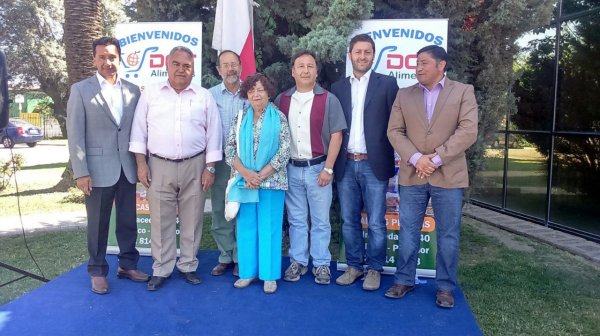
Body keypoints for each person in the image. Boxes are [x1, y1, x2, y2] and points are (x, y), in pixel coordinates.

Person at [386, 45, 478, 308]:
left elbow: (468, 131)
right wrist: (417, 159)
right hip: (412, 175)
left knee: (448, 234)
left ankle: (445, 287)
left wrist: (435, 159)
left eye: (424, 63)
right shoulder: (404, 95)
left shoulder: (463, 92)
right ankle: (404, 280)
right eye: (416, 63)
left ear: (442, 65)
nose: (418, 67)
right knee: (408, 231)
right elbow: (394, 131)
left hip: (449, 175)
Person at [129, 46, 222, 291]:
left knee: (192, 218)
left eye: (187, 65)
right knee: (160, 219)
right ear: (167, 65)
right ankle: (161, 269)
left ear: (193, 69)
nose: (181, 69)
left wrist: (210, 168)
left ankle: (188, 265)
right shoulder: (151, 94)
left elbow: (214, 134)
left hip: (196, 164)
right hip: (158, 165)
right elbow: (139, 130)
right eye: (176, 64)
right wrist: (141, 164)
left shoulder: (203, 96)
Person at [67, 36, 148, 295]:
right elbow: (75, 133)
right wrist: (81, 172)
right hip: (97, 170)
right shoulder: (81, 90)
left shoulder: (133, 90)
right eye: (102, 57)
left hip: (127, 167)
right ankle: (98, 270)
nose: (107, 62)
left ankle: (127, 265)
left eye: (112, 57)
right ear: (94, 59)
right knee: (98, 224)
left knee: (128, 220)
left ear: (119, 58)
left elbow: (138, 130)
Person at [330, 34, 399, 291]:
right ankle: (355, 266)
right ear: (350, 55)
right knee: (349, 219)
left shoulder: (388, 84)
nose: (362, 56)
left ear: (373, 55)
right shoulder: (337, 88)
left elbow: (396, 124)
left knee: (377, 221)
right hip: (345, 164)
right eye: (357, 52)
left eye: (367, 52)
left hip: (374, 164)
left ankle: (375, 269)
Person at [274, 50, 346, 285]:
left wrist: (329, 168)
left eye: (310, 66)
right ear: (292, 71)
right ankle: (298, 261)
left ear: (316, 71)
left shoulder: (328, 99)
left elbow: (336, 135)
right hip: (291, 169)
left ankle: (322, 264)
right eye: (300, 66)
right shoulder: (282, 100)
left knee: (320, 220)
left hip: (318, 169)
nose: (305, 70)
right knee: (296, 219)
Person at [225, 73, 290, 294]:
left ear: (269, 92)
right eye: (252, 90)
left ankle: (269, 276)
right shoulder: (240, 117)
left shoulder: (279, 117)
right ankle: (248, 273)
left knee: (269, 228)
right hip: (245, 182)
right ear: (247, 94)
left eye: (260, 89)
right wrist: (246, 173)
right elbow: (230, 149)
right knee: (246, 227)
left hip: (271, 182)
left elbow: (284, 151)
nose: (256, 94)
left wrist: (260, 175)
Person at [208, 50, 248, 277]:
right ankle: (225, 255)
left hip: (245, 163)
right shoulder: (210, 95)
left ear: (241, 67)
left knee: (242, 209)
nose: (230, 69)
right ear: (219, 70)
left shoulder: (251, 92)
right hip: (221, 161)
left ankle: (241, 257)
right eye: (225, 65)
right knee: (220, 208)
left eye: (234, 64)